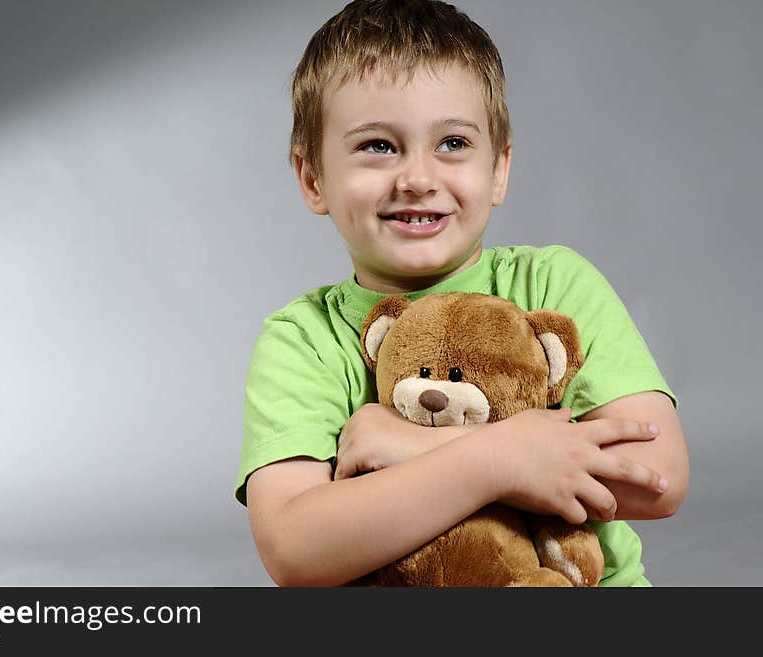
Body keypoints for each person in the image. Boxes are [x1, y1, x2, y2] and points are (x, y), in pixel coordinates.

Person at [234, 0, 689, 587]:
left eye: (452, 143)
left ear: (499, 169)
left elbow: (659, 478)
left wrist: (411, 447)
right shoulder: (304, 341)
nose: (418, 178)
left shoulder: (554, 283)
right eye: (377, 146)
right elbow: (296, 549)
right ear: (313, 177)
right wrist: (501, 460)